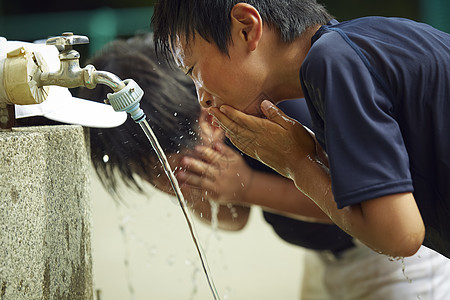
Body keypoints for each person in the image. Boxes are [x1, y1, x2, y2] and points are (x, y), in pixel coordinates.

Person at [80, 34, 450, 299]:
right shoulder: (217, 138)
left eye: (166, 165)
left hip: (388, 259)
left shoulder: (285, 113)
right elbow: (235, 218)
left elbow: (356, 203)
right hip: (326, 260)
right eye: (153, 174)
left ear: (204, 118)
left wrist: (248, 185)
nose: (168, 179)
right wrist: (204, 193)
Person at [151, 0, 450, 259]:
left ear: (246, 27)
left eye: (192, 70)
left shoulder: (333, 61)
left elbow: (399, 237)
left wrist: (295, 162)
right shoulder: (349, 49)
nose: (201, 97)